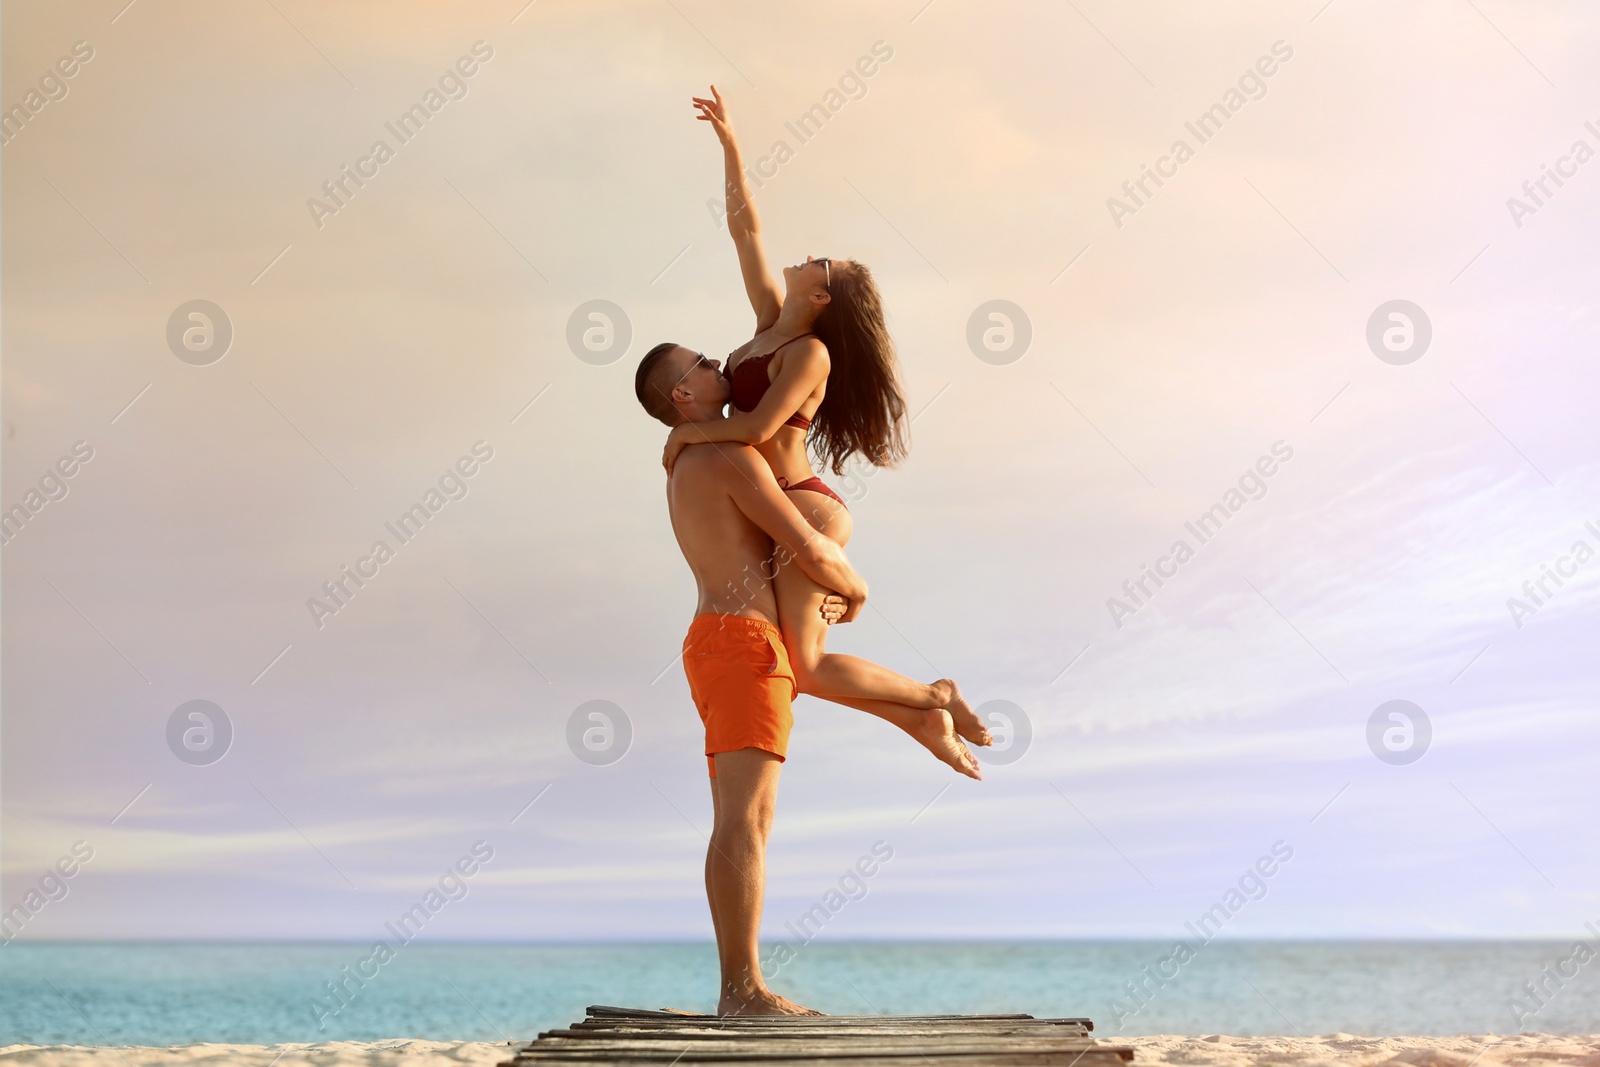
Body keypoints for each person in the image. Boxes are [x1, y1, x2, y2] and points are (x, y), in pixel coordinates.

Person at [656, 85, 991, 773]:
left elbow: (754, 428)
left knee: (805, 666)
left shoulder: (810, 354)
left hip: (806, 502)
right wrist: (730, 145)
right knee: (802, 667)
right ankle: (925, 716)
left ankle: (935, 695)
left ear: (820, 297)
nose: (809, 254)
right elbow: (745, 233)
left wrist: (688, 435)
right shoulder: (763, 333)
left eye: (821, 264)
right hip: (776, 505)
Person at [635, 343, 864, 1014]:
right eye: (702, 363)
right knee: (744, 821)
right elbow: (805, 542)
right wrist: (855, 586)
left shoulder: (692, 457)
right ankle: (742, 989)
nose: (716, 364)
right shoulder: (726, 457)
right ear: (683, 394)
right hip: (742, 645)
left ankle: (742, 985)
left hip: (719, 643)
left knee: (746, 819)